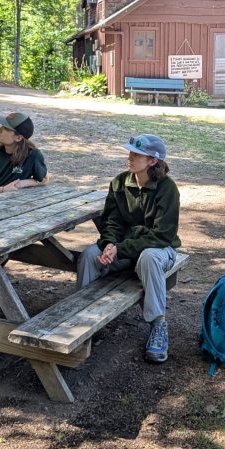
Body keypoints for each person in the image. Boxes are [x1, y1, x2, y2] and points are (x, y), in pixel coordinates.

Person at [76, 134, 181, 363]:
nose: (130, 157)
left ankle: (158, 325)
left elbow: (162, 235)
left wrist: (120, 249)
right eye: (130, 152)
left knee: (148, 258)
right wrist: (108, 245)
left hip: (159, 250)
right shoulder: (119, 182)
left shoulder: (167, 188)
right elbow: (112, 222)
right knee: (89, 255)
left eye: (137, 154)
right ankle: (81, 321)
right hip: (123, 249)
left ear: (152, 161)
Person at [0, 111, 47, 198]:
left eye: (6, 128)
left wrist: (22, 183)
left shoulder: (33, 155)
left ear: (18, 138)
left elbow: (44, 179)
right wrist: (2, 190)